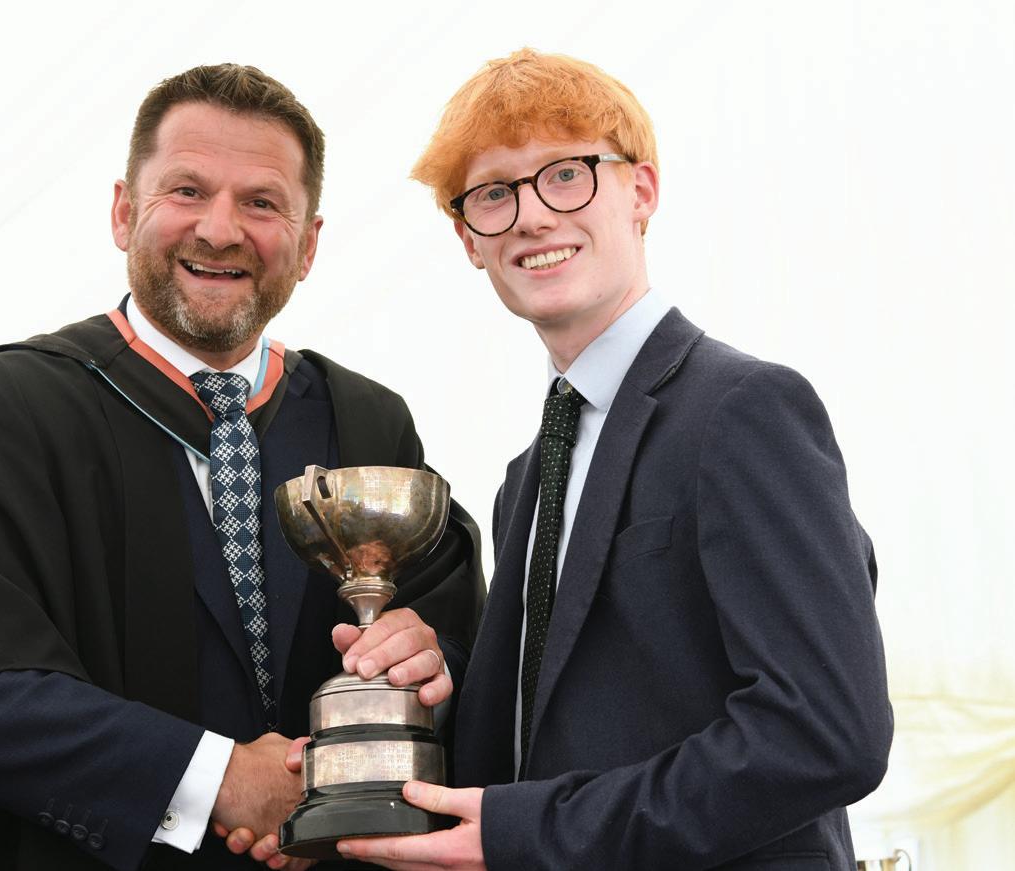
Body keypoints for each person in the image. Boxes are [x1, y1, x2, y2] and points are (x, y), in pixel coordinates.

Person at [0, 63, 484, 871]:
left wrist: (432, 664)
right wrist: (220, 780)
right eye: (187, 190)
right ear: (123, 211)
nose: (220, 229)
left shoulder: (368, 424)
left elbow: (465, 643)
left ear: (309, 244)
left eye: (262, 202)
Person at [338, 48, 893, 871]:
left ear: (642, 191)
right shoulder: (525, 479)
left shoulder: (745, 409)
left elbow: (826, 732)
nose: (531, 216)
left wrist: (536, 831)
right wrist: (434, 682)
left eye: (567, 174)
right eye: (493, 193)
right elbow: (559, 725)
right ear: (468, 239)